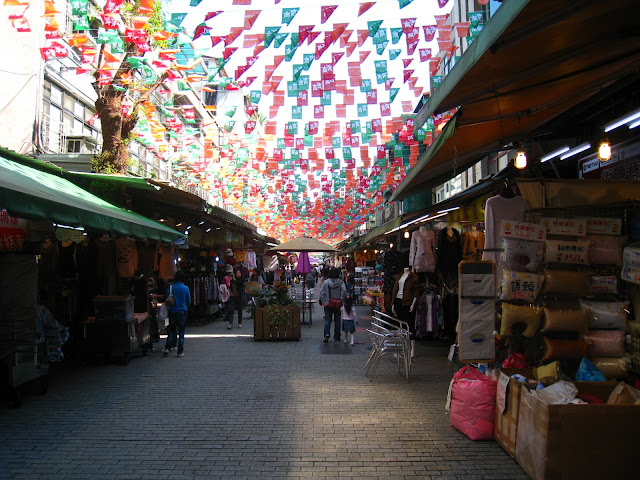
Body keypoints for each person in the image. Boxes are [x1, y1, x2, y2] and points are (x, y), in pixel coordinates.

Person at [162, 270, 191, 357]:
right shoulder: (186, 288)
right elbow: (188, 301)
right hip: (182, 312)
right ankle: (180, 351)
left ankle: (167, 347)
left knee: (171, 330)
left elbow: (167, 298)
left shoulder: (171, 287)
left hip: (172, 311)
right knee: (181, 332)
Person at [319, 266, 347, 343]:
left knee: (328, 320)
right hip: (338, 303)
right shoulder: (341, 282)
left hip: (328, 303)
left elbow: (322, 292)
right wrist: (342, 300)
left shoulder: (326, 282)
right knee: (337, 320)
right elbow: (344, 291)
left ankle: (327, 334)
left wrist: (324, 301)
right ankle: (337, 336)